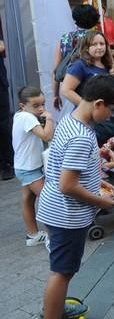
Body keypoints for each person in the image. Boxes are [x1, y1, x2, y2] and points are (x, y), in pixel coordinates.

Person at [35, 75, 114, 319]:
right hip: (66, 215)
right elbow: (68, 184)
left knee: (60, 269)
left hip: (54, 208)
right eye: (112, 110)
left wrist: (99, 182)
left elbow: (74, 173)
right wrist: (100, 200)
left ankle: (58, 310)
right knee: (61, 273)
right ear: (98, 104)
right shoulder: (81, 136)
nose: (111, 116)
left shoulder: (70, 121)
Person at [60, 30, 114, 145]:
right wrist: (88, 108)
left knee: (107, 154)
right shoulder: (79, 65)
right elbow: (66, 90)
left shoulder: (108, 64)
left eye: (102, 44)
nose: (99, 47)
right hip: (92, 120)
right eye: (94, 44)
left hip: (110, 117)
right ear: (86, 47)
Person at [13, 86, 54, 246]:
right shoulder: (27, 118)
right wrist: (49, 118)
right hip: (30, 170)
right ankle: (53, 238)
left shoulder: (19, 116)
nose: (41, 109)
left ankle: (33, 235)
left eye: (43, 104)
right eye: (36, 106)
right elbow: (47, 135)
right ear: (22, 106)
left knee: (28, 201)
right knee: (50, 201)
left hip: (23, 167)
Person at [53, 5, 101, 111]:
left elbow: (56, 70)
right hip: (93, 83)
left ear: (75, 19)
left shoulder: (64, 39)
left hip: (69, 85)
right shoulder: (98, 38)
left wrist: (55, 95)